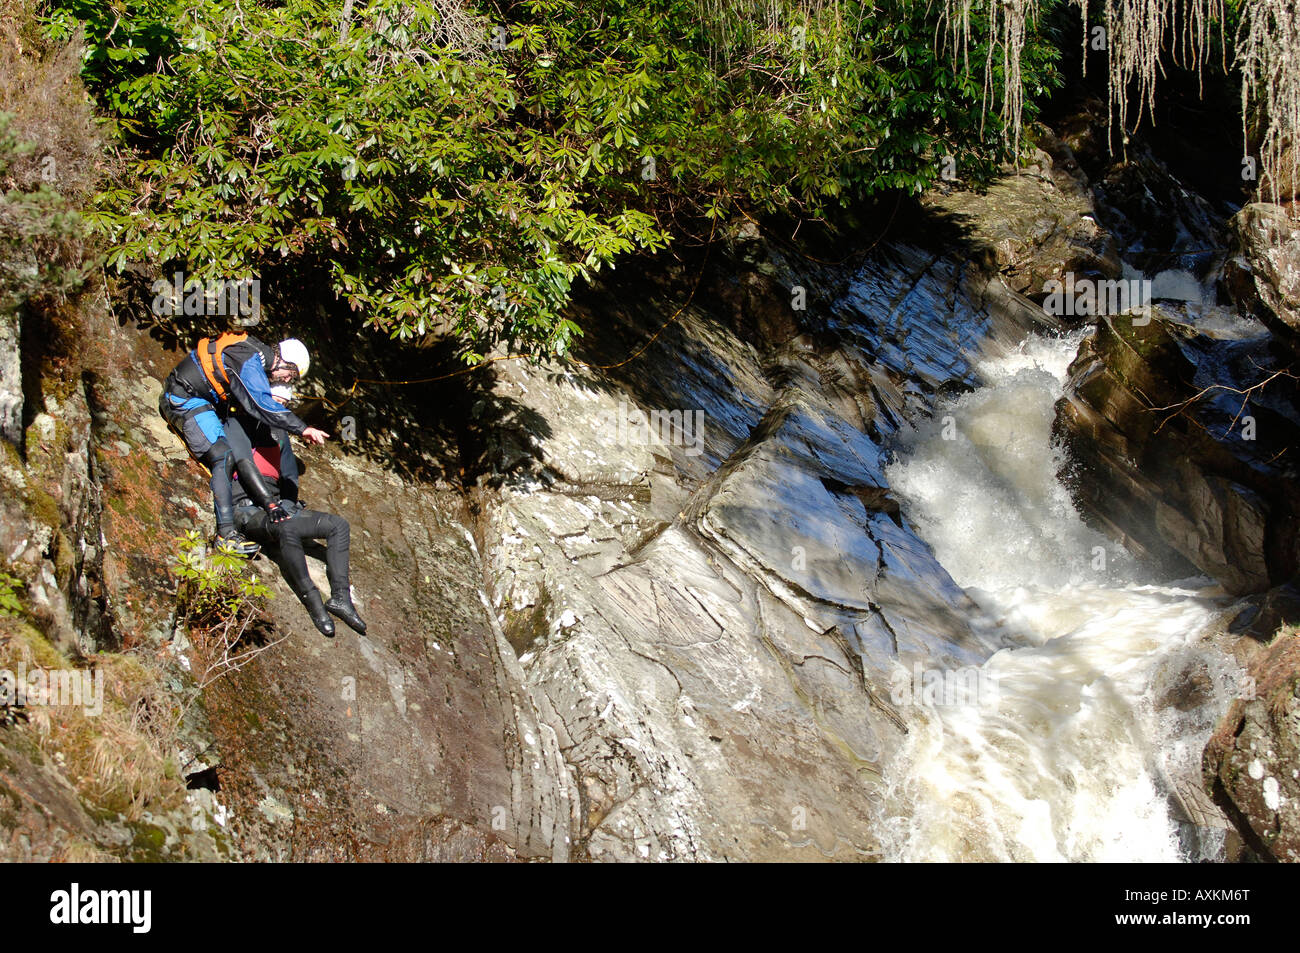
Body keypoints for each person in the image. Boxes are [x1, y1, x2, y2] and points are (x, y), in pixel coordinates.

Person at [158, 333, 329, 556]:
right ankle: (226, 535)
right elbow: (262, 404)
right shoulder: (250, 360)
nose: (287, 380)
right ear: (283, 361)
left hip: (200, 400)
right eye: (291, 374)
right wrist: (303, 428)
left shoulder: (254, 354)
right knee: (223, 456)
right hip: (183, 400)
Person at [226, 414, 366, 638]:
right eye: (275, 401)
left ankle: (341, 599)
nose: (279, 407)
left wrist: (288, 505)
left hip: (277, 510)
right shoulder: (237, 423)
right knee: (287, 528)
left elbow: (290, 474)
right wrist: (270, 505)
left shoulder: (279, 433)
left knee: (338, 525)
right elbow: (243, 464)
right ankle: (313, 601)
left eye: (283, 403)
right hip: (247, 511)